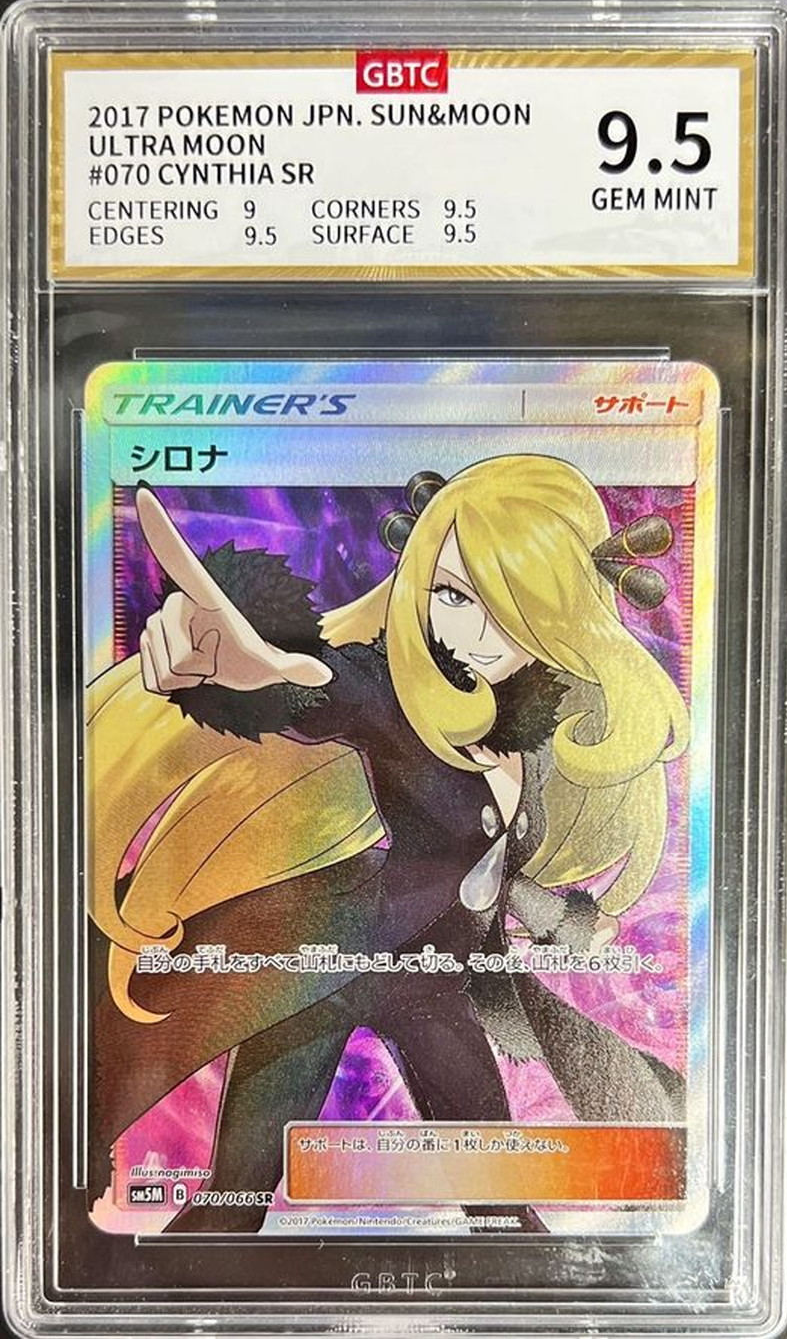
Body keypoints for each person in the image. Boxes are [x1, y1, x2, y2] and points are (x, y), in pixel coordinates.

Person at [88, 454, 688, 1232]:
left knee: (502, 1205)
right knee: (233, 1197)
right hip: (326, 973)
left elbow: (487, 865)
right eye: (450, 594)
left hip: (435, 985)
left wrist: (567, 920)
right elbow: (330, 687)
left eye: (508, 604)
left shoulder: (540, 731)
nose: (468, 631)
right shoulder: (398, 694)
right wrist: (257, 668)